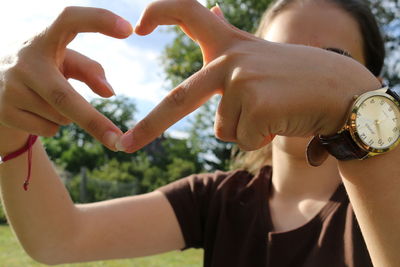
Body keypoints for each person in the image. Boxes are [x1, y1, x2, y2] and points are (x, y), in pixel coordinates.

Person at [0, 1, 399, 267]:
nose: (294, 77)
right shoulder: (215, 199)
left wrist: (355, 100)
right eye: (278, 55)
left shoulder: (386, 205)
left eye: (331, 62)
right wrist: (9, 124)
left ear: (373, 81)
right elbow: (59, 238)